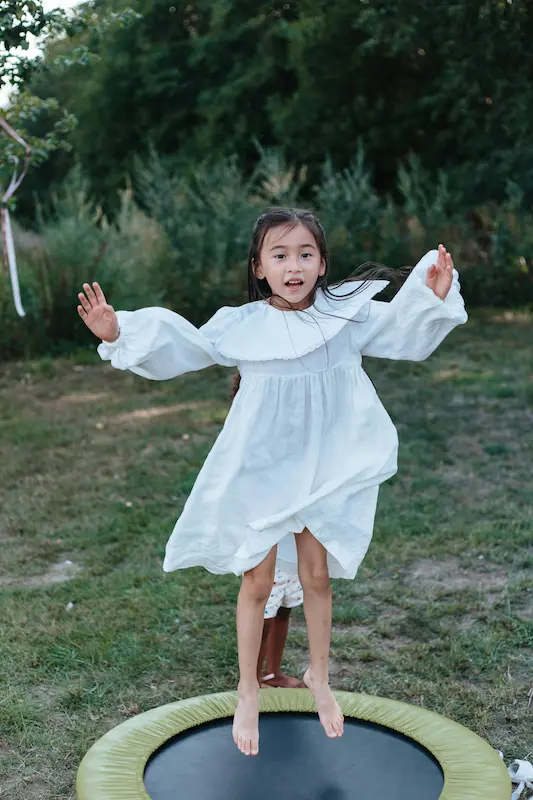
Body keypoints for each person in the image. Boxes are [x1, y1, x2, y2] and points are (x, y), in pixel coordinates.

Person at [77, 206, 467, 758]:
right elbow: (184, 343)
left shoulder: (348, 315)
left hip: (328, 461)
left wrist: (432, 294)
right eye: (279, 255)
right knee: (257, 582)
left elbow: (405, 330)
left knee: (316, 575)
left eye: (305, 254)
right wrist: (121, 332)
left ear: (322, 262)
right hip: (264, 465)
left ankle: (320, 677)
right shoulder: (243, 324)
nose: (294, 265)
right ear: (259, 267)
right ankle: (247, 689)